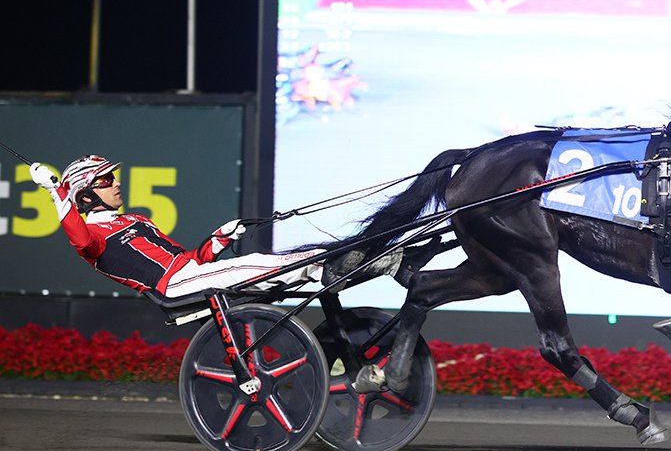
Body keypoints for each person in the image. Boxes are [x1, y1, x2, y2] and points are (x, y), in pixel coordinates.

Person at [29, 155, 436, 298]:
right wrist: (55, 192)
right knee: (267, 261)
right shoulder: (92, 236)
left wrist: (221, 236)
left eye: (113, 177)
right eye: (105, 181)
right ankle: (374, 263)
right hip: (177, 288)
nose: (116, 183)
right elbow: (80, 239)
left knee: (279, 258)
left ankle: (374, 261)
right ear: (84, 196)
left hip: (195, 272)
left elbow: (190, 258)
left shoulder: (136, 220)